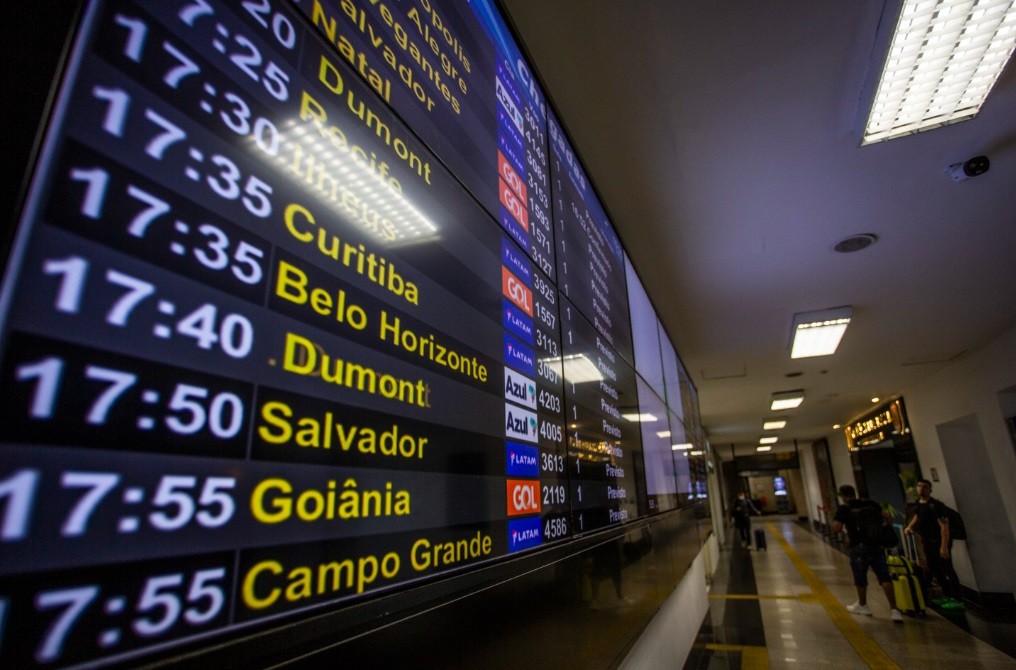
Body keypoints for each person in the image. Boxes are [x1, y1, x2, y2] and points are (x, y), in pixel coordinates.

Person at [832, 484, 904, 622]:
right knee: (884, 577)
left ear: (842, 496)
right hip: (877, 545)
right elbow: (888, 516)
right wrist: (884, 530)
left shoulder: (845, 508)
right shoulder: (870, 503)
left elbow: (836, 527)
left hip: (858, 547)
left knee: (860, 577)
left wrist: (846, 533)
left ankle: (863, 605)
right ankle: (895, 609)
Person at [903, 479, 962, 608]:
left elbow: (944, 527)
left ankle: (957, 599)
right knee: (935, 568)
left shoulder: (936, 506)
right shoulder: (919, 504)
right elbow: (917, 516)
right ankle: (947, 596)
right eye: (919, 486)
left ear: (930, 490)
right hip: (928, 542)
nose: (921, 489)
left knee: (947, 569)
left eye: (925, 487)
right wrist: (909, 527)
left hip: (939, 542)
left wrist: (944, 546)